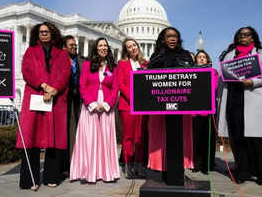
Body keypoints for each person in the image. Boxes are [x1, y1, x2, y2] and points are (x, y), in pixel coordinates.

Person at [15, 22, 71, 190]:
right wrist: (43, 85)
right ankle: (30, 179)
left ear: (53, 33)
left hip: (55, 98)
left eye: (47, 31)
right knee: (32, 138)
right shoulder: (30, 52)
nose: (44, 34)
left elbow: (65, 73)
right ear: (36, 34)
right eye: (41, 32)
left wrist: (54, 89)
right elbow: (26, 72)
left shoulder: (62, 54)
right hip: (35, 97)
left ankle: (51, 177)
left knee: (53, 139)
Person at [217, 26, 262, 186]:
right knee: (237, 137)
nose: (243, 37)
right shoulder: (229, 54)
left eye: (247, 34)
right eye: (240, 35)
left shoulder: (261, 53)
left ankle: (260, 173)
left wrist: (252, 82)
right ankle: (242, 171)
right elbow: (223, 75)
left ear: (253, 38)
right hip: (233, 98)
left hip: (252, 96)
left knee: (255, 139)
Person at [146, 27, 195, 180]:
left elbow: (193, 76)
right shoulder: (156, 56)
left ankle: (178, 168)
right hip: (161, 105)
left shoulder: (186, 55)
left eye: (175, 36)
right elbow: (148, 77)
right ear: (163, 39)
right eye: (169, 36)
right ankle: (161, 168)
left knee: (180, 137)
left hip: (182, 103)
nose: (173, 39)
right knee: (161, 138)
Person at [69, 37, 120, 184]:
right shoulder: (87, 64)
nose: (103, 48)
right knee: (89, 139)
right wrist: (91, 103)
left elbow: (115, 87)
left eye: (105, 46)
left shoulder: (113, 67)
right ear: (96, 48)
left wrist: (106, 104)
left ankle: (105, 172)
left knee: (105, 139)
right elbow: (82, 85)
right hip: (90, 106)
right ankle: (88, 171)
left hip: (106, 107)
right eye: (100, 45)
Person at [117, 38, 148, 179]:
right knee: (128, 137)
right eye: (129, 47)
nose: (133, 48)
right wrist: (134, 99)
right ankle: (128, 167)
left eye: (134, 45)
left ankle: (140, 167)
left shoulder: (146, 64)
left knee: (140, 137)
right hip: (128, 105)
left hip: (143, 106)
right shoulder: (122, 64)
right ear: (126, 50)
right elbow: (122, 84)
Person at [61, 35, 83, 175]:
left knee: (76, 131)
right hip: (64, 99)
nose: (74, 47)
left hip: (78, 100)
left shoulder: (79, 60)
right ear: (64, 47)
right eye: (71, 45)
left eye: (75, 45)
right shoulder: (60, 60)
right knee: (65, 132)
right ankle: (65, 164)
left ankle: (76, 163)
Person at [192, 50, 216, 174]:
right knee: (197, 139)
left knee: (208, 139)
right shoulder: (191, 73)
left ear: (208, 60)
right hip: (195, 112)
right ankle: (197, 164)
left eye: (204, 57)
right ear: (195, 60)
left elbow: (215, 86)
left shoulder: (213, 72)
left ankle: (207, 165)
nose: (201, 59)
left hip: (208, 111)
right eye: (199, 57)